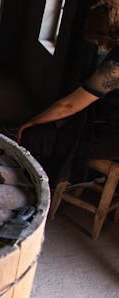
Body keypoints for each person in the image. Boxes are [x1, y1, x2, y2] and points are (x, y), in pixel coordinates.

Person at [17, 0, 119, 187]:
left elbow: (69, 105)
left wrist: (32, 122)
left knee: (35, 136)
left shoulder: (116, 66)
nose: (101, 46)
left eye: (100, 40)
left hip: (113, 136)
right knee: (63, 123)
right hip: (109, 122)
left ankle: (39, 190)